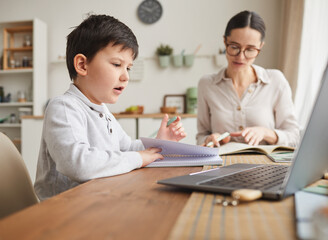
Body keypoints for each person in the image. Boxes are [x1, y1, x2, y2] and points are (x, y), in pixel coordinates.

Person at [34, 14, 186, 201]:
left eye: (128, 68)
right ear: (82, 65)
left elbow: (127, 148)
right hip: (62, 211)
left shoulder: (102, 111)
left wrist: (158, 143)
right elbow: (77, 163)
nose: (126, 77)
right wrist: (140, 157)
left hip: (98, 202)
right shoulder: (64, 107)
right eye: (117, 64)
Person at [196, 10, 299, 147]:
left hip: (266, 167)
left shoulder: (275, 80)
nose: (240, 57)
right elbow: (201, 136)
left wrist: (265, 133)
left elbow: (294, 137)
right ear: (225, 42)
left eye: (250, 49)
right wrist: (209, 140)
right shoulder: (207, 84)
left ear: (260, 47)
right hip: (223, 165)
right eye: (234, 47)